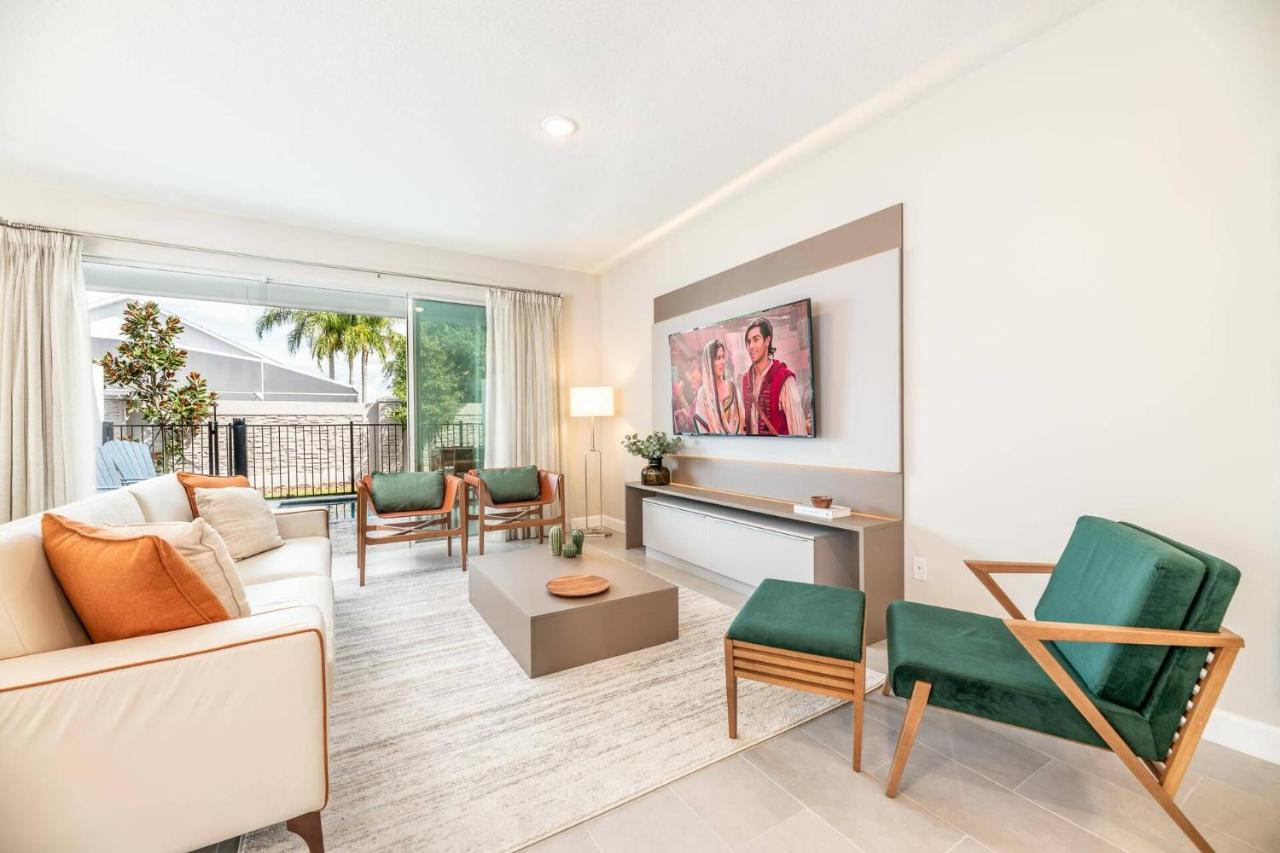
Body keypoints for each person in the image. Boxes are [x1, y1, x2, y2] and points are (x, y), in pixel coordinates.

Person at [741, 317, 807, 436]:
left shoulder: (784, 378)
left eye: (756, 339)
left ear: (767, 341)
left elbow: (798, 430)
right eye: (748, 341)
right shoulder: (746, 380)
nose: (751, 346)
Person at [692, 339, 743, 434]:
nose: (723, 361)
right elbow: (702, 430)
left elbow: (741, 421)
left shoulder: (732, 388)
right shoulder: (703, 394)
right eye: (718, 358)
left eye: (723, 357)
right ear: (709, 362)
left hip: (736, 442)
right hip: (712, 443)